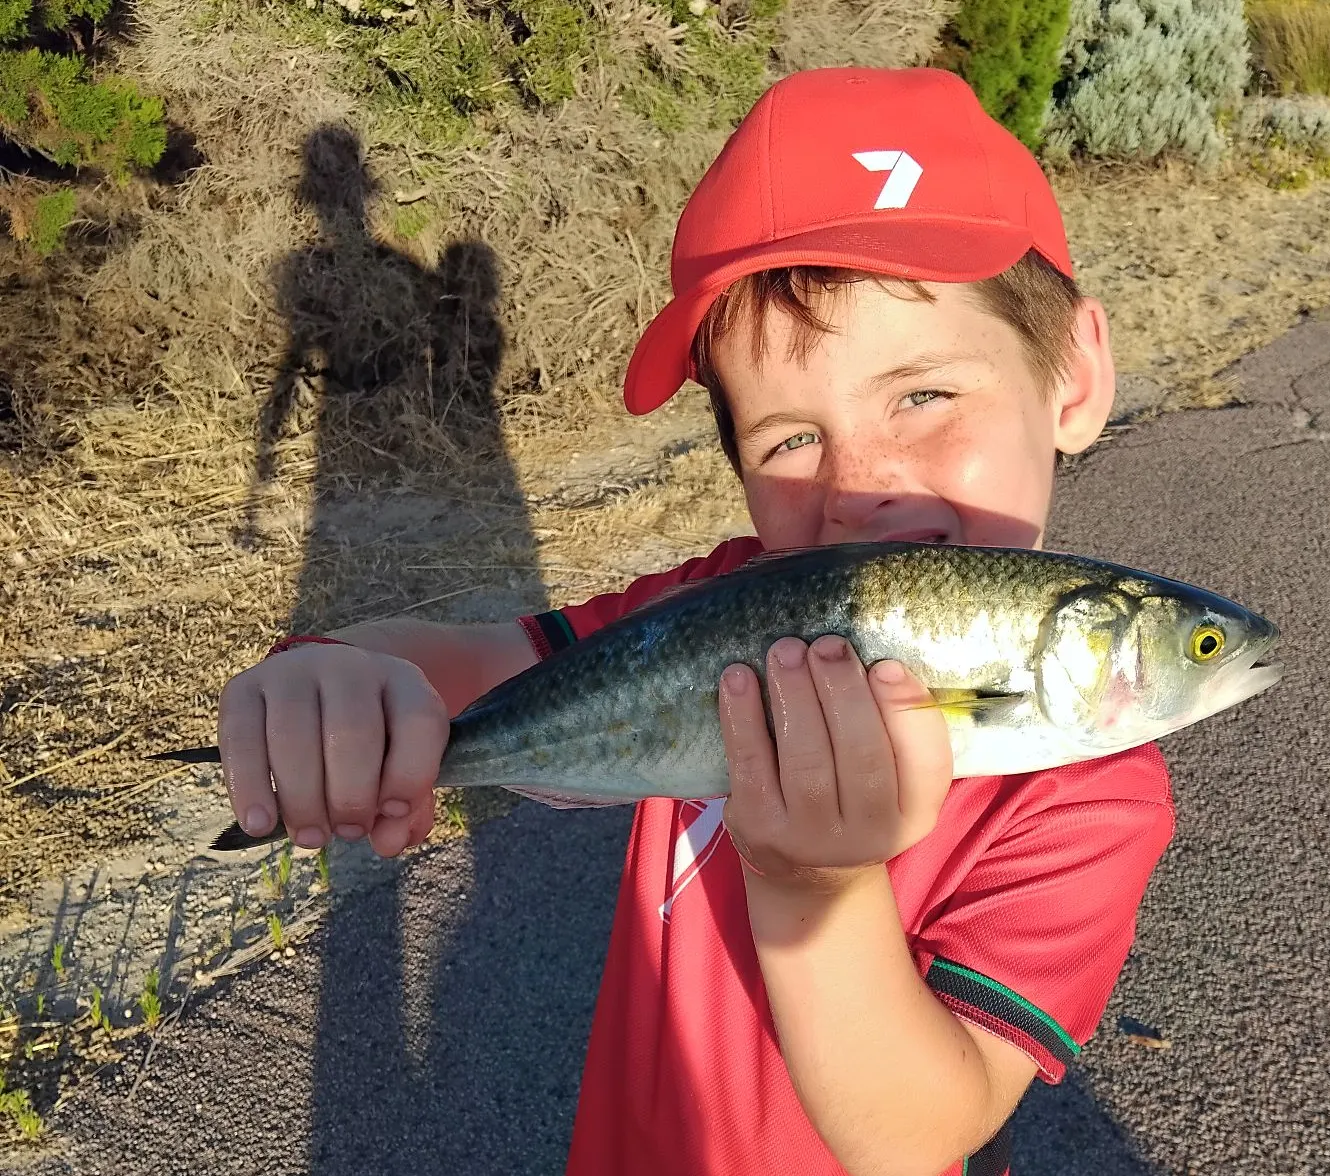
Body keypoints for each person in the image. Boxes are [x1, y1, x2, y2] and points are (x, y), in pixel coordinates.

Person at [215, 67, 1174, 1176]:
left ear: (1075, 376)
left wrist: (815, 884)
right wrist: (338, 666)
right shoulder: (719, 601)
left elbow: (921, 1133)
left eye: (923, 395)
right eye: (787, 440)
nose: (858, 486)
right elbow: (482, 665)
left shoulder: (1088, 786)